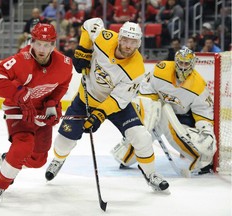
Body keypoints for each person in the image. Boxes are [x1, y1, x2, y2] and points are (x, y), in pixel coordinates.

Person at [45, 17, 170, 192]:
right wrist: (84, 49)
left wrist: (98, 114)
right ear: (119, 38)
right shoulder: (105, 38)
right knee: (64, 141)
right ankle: (58, 160)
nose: (127, 45)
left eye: (133, 42)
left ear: (138, 44)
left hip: (117, 105)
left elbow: (118, 100)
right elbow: (91, 24)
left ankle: (151, 175)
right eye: (125, 39)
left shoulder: (136, 69)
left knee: (141, 137)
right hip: (86, 97)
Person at [0, 23, 74, 204]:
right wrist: (19, 94)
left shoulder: (64, 64)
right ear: (32, 41)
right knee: (23, 145)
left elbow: (62, 85)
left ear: (54, 45)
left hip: (39, 112)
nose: (42, 49)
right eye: (39, 43)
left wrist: (51, 105)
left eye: (47, 44)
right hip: (18, 109)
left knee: (39, 160)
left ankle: (8, 160)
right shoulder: (21, 60)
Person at [112, 47, 217, 174]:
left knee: (176, 132)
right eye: (181, 63)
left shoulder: (199, 85)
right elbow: (145, 90)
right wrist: (152, 107)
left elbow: (203, 113)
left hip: (182, 117)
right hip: (156, 109)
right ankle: (126, 157)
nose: (183, 67)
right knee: (145, 130)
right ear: (175, 61)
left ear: (192, 64)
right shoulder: (161, 69)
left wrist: (206, 131)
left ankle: (201, 160)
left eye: (186, 63)